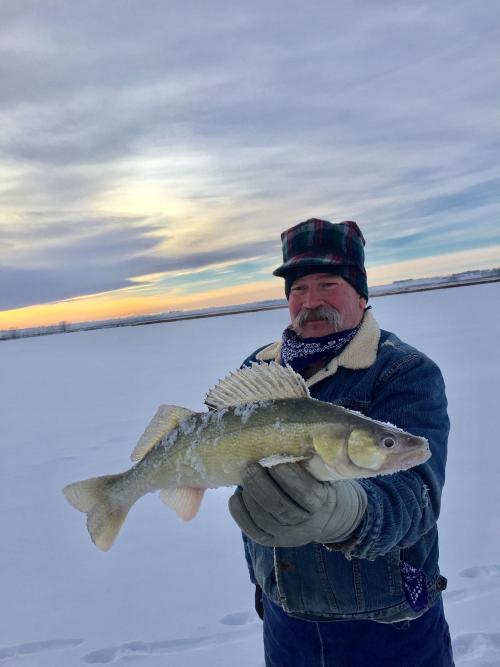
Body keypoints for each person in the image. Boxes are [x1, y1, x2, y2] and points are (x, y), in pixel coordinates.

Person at [228, 218, 454, 667]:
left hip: (388, 625)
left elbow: (416, 495)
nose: (310, 302)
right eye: (298, 289)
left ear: (361, 293)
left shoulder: (403, 371)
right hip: (286, 620)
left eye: (329, 284)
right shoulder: (259, 369)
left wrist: (346, 512)